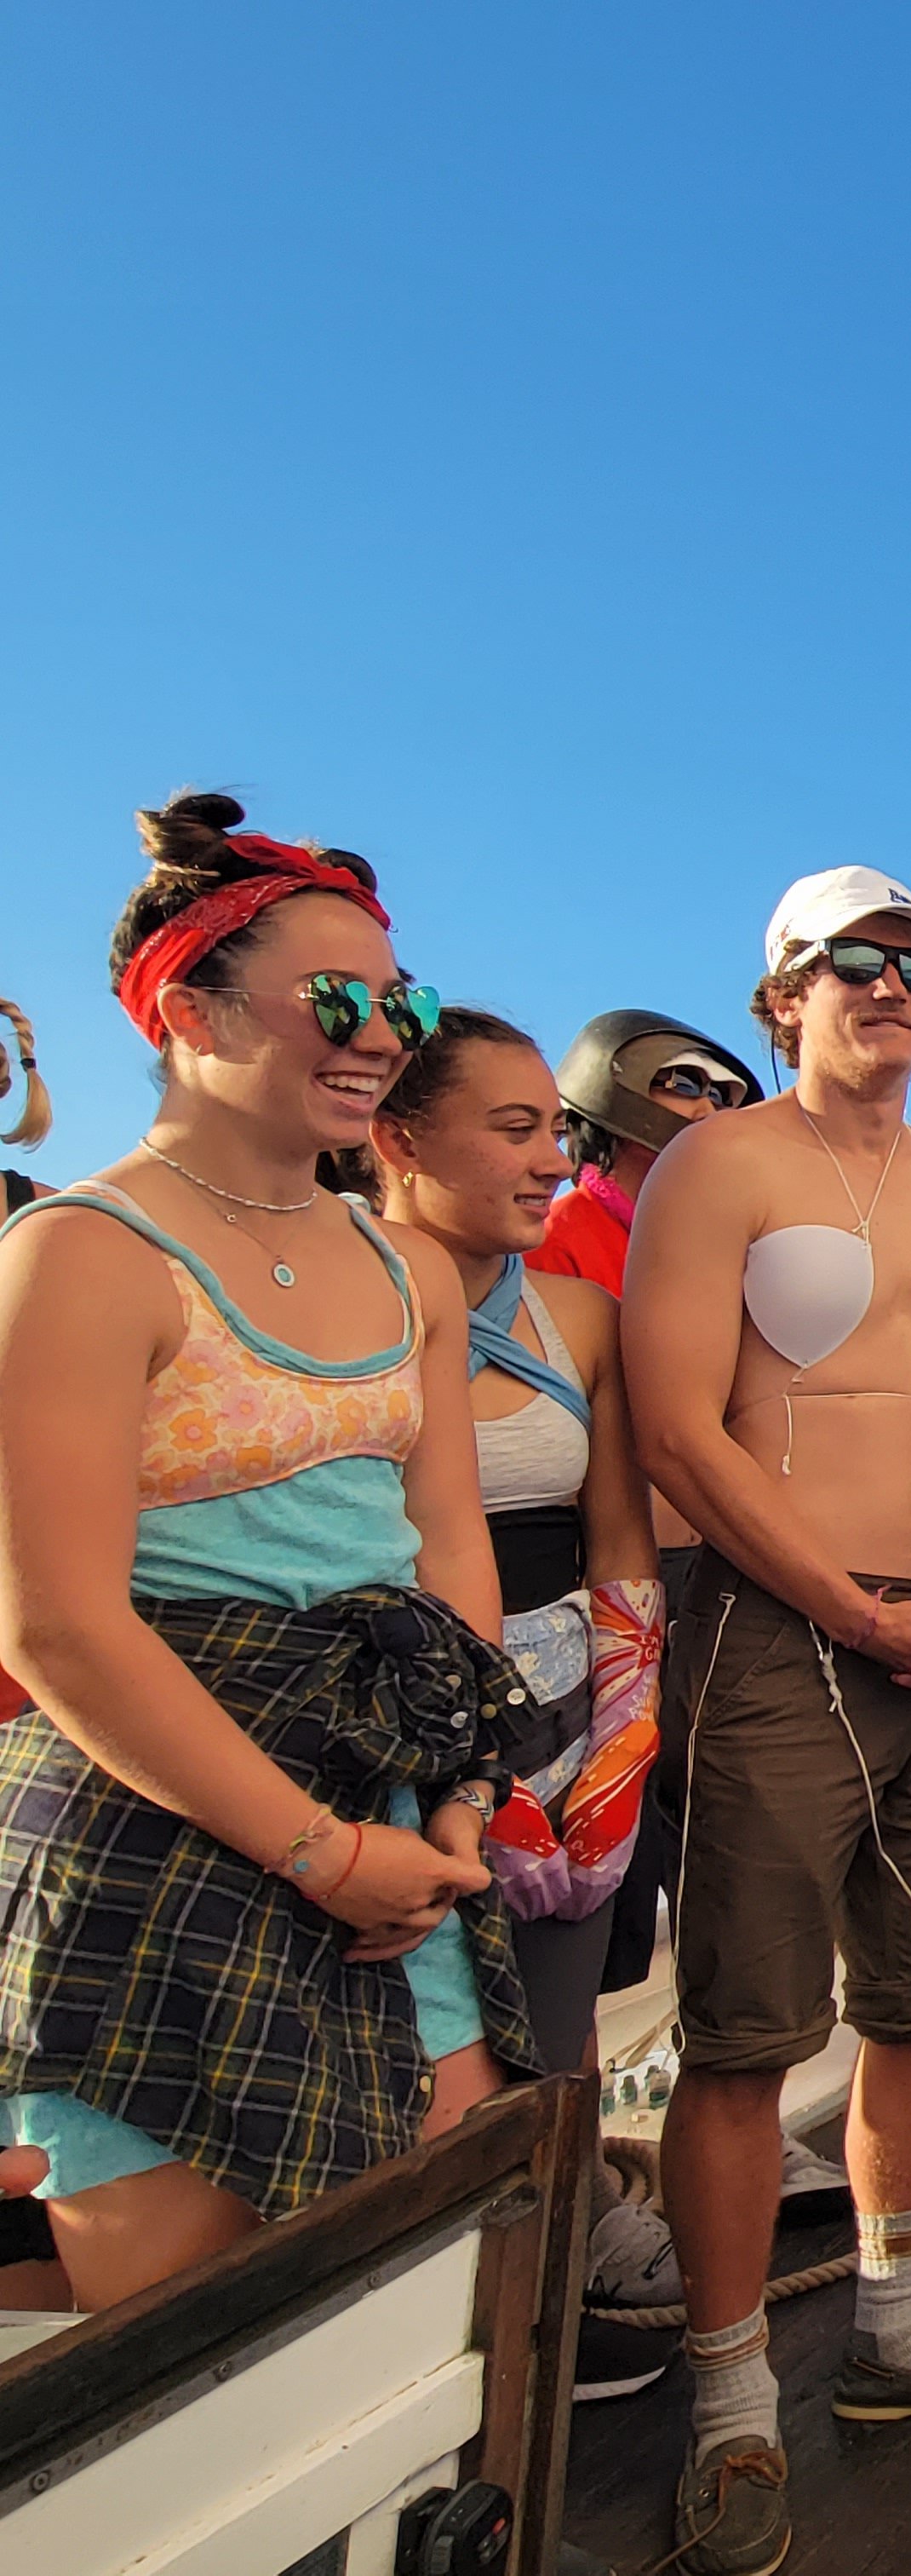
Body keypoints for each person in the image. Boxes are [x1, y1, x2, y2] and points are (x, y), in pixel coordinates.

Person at [0, 793, 534, 2314]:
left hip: (392, 1800)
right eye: (339, 1000)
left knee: (435, 2281)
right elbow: (61, 1625)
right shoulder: (85, 1252)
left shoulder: (407, 1261)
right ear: (183, 1008)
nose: (384, 1035)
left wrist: (460, 1791)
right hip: (165, 1828)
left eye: (403, 1002)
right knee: (182, 2338)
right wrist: (314, 1851)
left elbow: (445, 1548)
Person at [623, 866, 911, 2573]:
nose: (892, 987)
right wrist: (850, 1600)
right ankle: (731, 2410)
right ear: (781, 991)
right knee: (742, 2034)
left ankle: (899, 2338)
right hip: (775, 1629)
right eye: (850, 963)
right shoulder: (715, 1164)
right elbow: (677, 1430)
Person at [361, 1007, 687, 2393]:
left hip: (562, 1718)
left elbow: (622, 1534)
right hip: (379, 1727)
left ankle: (525, 2375)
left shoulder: (588, 1319)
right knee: (403, 2071)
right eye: (513, 1129)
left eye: (557, 1127)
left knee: (554, 2051)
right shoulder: (332, 1301)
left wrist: (620, 1735)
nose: (554, 1156)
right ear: (397, 1135)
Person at [530, 1010, 760, 1297]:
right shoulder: (553, 1239)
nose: (709, 1111)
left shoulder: (717, 1248)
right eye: (684, 1084)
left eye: (720, 1097)